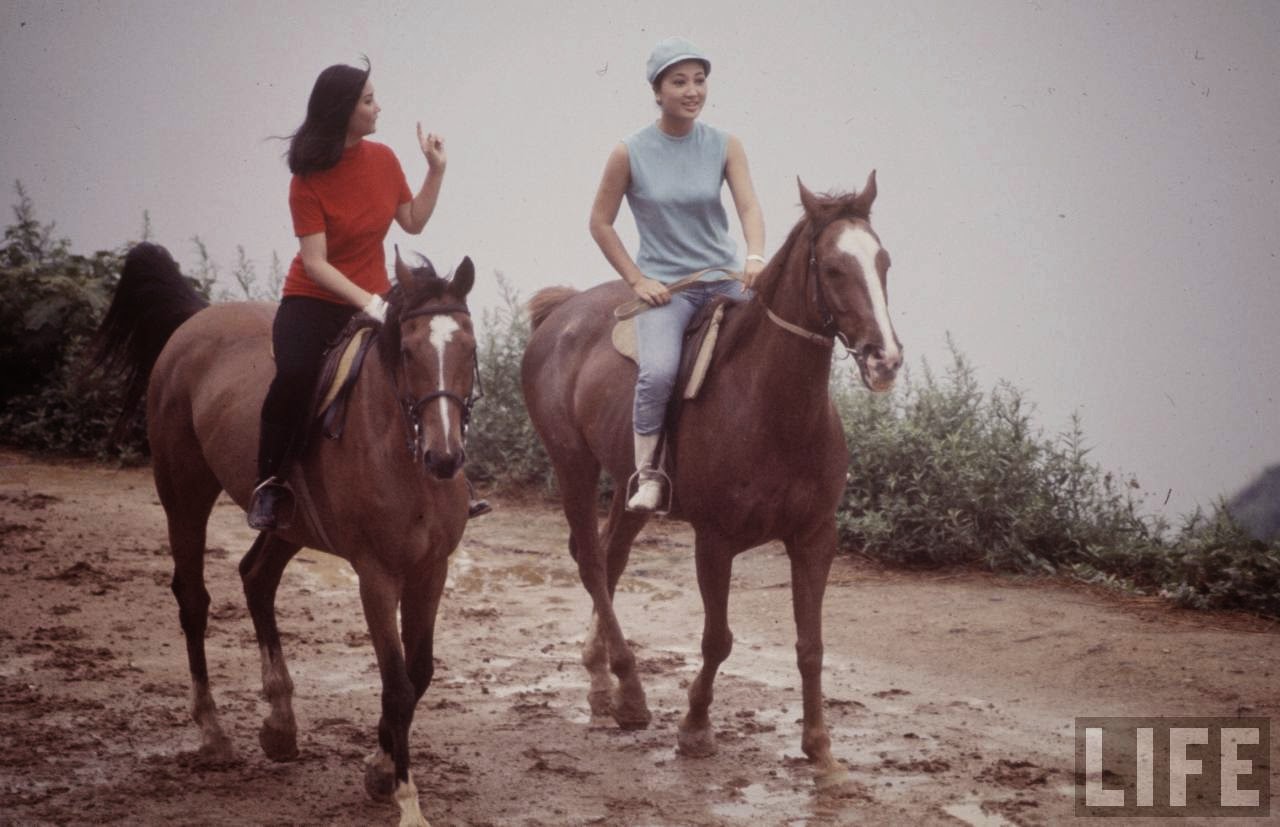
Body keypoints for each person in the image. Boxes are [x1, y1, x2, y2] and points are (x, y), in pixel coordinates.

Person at [249, 59, 488, 530]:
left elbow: (413, 220)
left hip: (374, 299)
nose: (379, 107)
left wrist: (435, 171)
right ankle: (271, 485)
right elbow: (315, 263)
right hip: (314, 302)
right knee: (295, 377)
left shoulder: (383, 160)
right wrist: (369, 301)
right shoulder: (307, 181)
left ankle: (454, 478)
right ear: (343, 110)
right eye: (368, 100)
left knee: (424, 369)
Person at [588, 36, 766, 512]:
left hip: (725, 279)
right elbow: (600, 223)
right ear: (657, 89)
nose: (692, 91)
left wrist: (754, 258)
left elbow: (748, 205)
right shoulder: (630, 152)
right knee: (659, 372)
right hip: (670, 291)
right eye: (679, 81)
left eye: (700, 80)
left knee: (780, 346)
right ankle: (648, 475)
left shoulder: (726, 144)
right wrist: (637, 280)